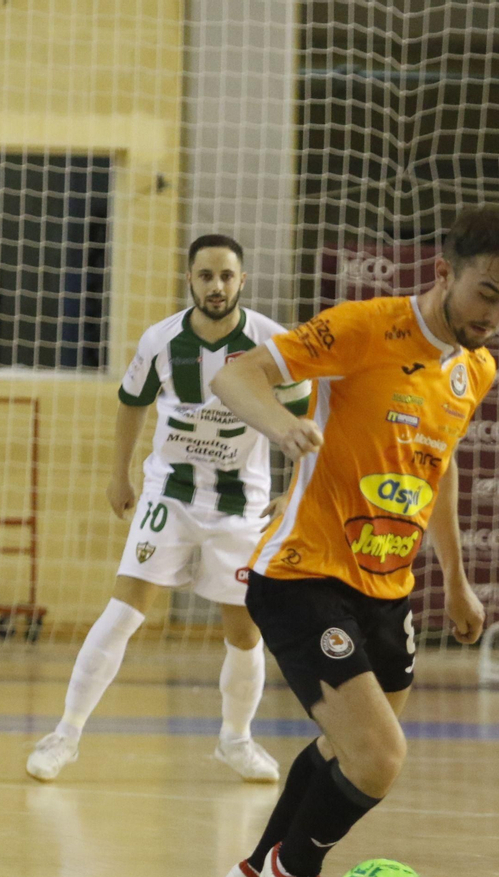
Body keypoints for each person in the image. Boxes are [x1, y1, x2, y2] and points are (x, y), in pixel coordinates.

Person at [209, 205, 499, 877]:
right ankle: (297, 875)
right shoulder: (367, 326)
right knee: (380, 756)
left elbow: (439, 464)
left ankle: (258, 870)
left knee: (345, 747)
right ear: (444, 273)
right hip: (302, 572)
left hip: (390, 586)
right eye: (487, 293)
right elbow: (236, 374)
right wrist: (281, 426)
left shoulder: (476, 365)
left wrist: (455, 577)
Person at [25, 234, 304, 783]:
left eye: (227, 276)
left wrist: (294, 491)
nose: (217, 286)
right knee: (124, 611)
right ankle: (66, 734)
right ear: (190, 280)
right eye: (206, 276)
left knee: (245, 632)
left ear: (242, 281)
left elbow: (305, 422)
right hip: (169, 496)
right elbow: (131, 404)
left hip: (240, 505)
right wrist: (119, 474)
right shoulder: (161, 340)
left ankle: (236, 740)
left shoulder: (272, 344)